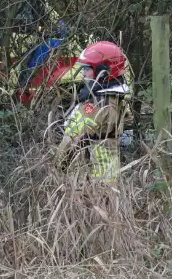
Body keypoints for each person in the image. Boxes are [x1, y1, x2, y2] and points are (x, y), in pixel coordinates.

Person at [53, 41, 133, 185]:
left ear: (104, 70)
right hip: (110, 174)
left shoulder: (97, 103)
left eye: (87, 68)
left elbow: (71, 139)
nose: (83, 73)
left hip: (93, 179)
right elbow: (127, 120)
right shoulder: (117, 97)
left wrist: (58, 169)